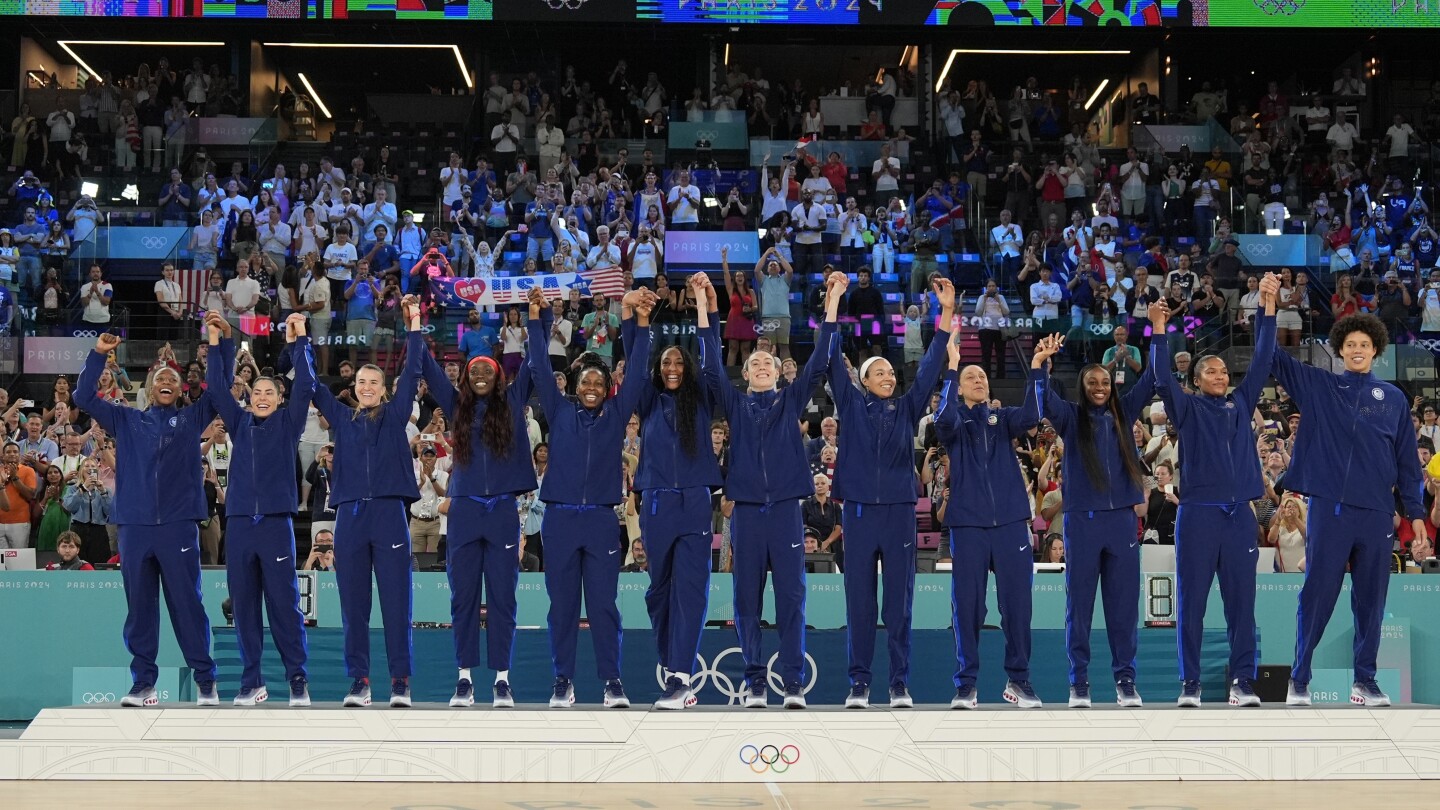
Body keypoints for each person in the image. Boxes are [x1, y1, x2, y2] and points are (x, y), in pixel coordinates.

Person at [695, 270, 844, 709]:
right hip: (745, 513)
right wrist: (704, 307)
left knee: (792, 599)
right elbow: (708, 364)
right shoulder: (736, 405)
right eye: (755, 364)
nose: (762, 366)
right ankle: (756, 681)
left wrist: (832, 298)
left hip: (783, 510)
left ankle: (793, 682)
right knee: (745, 600)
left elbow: (819, 359)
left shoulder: (791, 400)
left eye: (769, 364)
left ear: (779, 375)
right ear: (745, 375)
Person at [1273, 311, 1425, 708]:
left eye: (1365, 344)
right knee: (1317, 595)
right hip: (1331, 509)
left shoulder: (1392, 398)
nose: (1357, 350)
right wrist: (1269, 312)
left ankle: (1365, 681)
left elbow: (1409, 465)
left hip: (1377, 514)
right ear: (1339, 351)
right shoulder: (1321, 386)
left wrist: (1417, 515)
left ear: (1376, 350)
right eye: (1350, 344)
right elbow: (1270, 357)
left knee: (1371, 601)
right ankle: (1300, 679)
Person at [826, 278, 955, 709]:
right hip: (859, 513)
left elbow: (933, 364)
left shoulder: (906, 408)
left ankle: (899, 684)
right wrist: (832, 304)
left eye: (889, 372)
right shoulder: (850, 405)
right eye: (876, 372)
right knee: (860, 606)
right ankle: (859, 685)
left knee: (898, 607)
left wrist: (947, 313)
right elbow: (829, 361)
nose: (886, 376)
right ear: (863, 381)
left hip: (899, 511)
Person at [1150, 276, 1277, 707]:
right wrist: (1160, 329)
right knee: (1192, 604)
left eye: (1223, 370)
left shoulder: (1241, 403)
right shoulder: (1185, 407)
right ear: (1197, 379)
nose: (1220, 375)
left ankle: (1243, 683)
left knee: (1242, 605)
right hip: (1198, 515)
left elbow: (1262, 357)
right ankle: (1191, 684)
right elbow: (1162, 376)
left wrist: (1268, 307)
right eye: (1211, 371)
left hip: (1240, 514)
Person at [525, 286, 655, 709]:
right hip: (559, 519)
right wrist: (535, 320)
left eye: (600, 381)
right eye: (586, 381)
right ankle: (562, 681)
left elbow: (636, 371)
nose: (593, 386)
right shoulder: (559, 410)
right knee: (561, 609)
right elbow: (540, 367)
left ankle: (612, 681)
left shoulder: (617, 415)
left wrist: (641, 321)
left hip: (601, 519)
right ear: (575, 386)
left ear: (607, 387)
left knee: (603, 607)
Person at [76, 332, 219, 708]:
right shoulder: (126, 419)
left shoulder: (191, 418)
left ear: (182, 388)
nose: (167, 383)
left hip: (178, 525)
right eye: (159, 379)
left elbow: (218, 392)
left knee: (188, 605)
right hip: (135, 526)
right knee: (139, 609)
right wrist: (98, 355)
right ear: (149, 390)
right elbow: (83, 398)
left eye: (173, 379)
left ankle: (206, 681)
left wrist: (216, 346)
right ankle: (144, 685)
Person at [311, 296, 426, 708]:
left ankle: (400, 682)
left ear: (383, 389)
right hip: (350, 517)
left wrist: (413, 325)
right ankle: (359, 680)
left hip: (389, 514)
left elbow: (412, 371)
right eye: (361, 382)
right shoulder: (342, 418)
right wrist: (299, 342)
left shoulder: (396, 416)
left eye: (374, 382)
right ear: (354, 388)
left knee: (397, 604)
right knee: (353, 607)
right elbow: (310, 384)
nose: (367, 387)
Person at [614, 284, 724, 710]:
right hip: (656, 501)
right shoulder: (648, 398)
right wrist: (636, 319)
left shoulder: (702, 399)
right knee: (658, 590)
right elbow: (637, 359)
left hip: (695, 499)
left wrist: (704, 308)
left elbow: (712, 356)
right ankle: (671, 664)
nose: (673, 365)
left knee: (691, 589)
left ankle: (680, 676)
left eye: (679, 360)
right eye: (667, 361)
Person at [419, 319, 538, 710]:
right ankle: (465, 679)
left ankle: (502, 680)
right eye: (475, 370)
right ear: (467, 379)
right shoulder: (456, 406)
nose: (483, 374)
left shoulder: (513, 403)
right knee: (463, 598)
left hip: (502, 510)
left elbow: (537, 362)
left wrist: (536, 318)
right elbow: (429, 368)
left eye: (489, 368)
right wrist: (418, 326)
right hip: (466, 513)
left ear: (500, 376)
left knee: (503, 598)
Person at [937, 333, 1059, 710]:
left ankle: (1019, 681)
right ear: (959, 386)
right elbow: (942, 419)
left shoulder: (1003, 419)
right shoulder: (955, 421)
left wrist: (1037, 368)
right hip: (969, 525)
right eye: (971, 377)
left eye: (983, 378)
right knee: (968, 607)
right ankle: (966, 685)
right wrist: (952, 367)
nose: (979, 381)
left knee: (1018, 606)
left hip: (1010, 522)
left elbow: (1032, 414)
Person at [205, 312, 315, 708]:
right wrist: (218, 343)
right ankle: (252, 682)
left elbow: (307, 384)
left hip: (275, 525)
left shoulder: (289, 423)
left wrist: (300, 340)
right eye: (258, 392)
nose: (263, 396)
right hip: (239, 525)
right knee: (245, 607)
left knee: (284, 606)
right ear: (250, 399)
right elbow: (216, 388)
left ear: (280, 398)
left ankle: (297, 680)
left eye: (270, 392)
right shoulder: (238, 423)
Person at [1043, 331, 1156, 709]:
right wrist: (1043, 362)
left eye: (1105, 382)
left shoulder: (1124, 415)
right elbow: (1044, 397)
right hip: (1083, 522)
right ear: (1082, 385)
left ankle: (1126, 681)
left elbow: (1153, 376)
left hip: (1121, 521)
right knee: (1080, 607)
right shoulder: (1071, 419)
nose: (1099, 387)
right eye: (1092, 381)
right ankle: (1079, 683)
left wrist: (1157, 330)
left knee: (1123, 607)